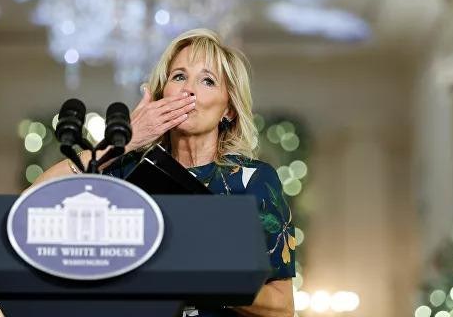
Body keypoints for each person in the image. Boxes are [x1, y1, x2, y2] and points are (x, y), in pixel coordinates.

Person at [34, 28, 296, 317]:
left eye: (207, 80)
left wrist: (203, 273)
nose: (188, 90)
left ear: (229, 110)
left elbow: (281, 307)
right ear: (161, 94)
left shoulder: (254, 180)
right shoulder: (126, 170)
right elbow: (33, 201)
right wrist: (126, 142)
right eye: (179, 76)